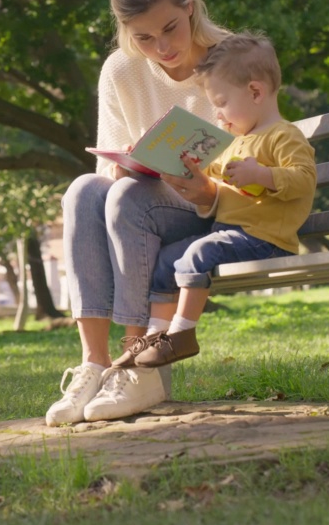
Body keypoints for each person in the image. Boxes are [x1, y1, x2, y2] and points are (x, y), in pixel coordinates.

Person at [45, 0, 230, 426]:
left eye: (170, 28)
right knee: (84, 190)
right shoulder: (121, 70)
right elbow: (110, 176)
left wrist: (200, 185)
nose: (162, 47)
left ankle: (137, 362)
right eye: (143, 37)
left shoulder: (232, 60)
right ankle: (95, 364)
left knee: (125, 198)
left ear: (189, 6)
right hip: (138, 212)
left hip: (210, 208)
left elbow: (260, 156)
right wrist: (130, 167)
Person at [130, 31, 317, 368]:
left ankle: (182, 335)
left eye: (221, 103)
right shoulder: (234, 142)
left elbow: (304, 179)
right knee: (167, 260)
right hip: (231, 235)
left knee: (198, 252)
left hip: (266, 239)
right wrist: (161, 159)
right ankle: (154, 337)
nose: (217, 115)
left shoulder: (283, 136)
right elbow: (207, 174)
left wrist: (262, 175)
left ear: (256, 91)